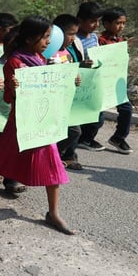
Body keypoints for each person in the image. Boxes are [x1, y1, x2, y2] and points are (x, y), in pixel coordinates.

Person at [0, 17, 76, 235]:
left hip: (43, 122)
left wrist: (71, 81)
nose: (49, 42)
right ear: (29, 38)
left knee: (53, 160)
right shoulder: (15, 62)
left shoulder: (40, 58)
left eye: (49, 37)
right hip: (21, 121)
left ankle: (53, 213)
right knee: (1, 158)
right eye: (45, 37)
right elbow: (9, 99)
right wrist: (14, 87)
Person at [92, 7, 133, 154]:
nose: (121, 26)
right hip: (103, 82)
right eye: (118, 23)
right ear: (107, 24)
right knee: (99, 113)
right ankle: (86, 137)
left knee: (127, 109)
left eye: (124, 23)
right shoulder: (99, 40)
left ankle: (118, 137)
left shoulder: (120, 40)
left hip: (117, 82)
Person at [52, 13, 84, 170]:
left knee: (74, 131)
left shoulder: (68, 53)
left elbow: (71, 72)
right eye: (70, 33)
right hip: (50, 103)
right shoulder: (48, 52)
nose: (73, 38)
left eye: (75, 34)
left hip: (65, 103)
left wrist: (75, 79)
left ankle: (54, 155)